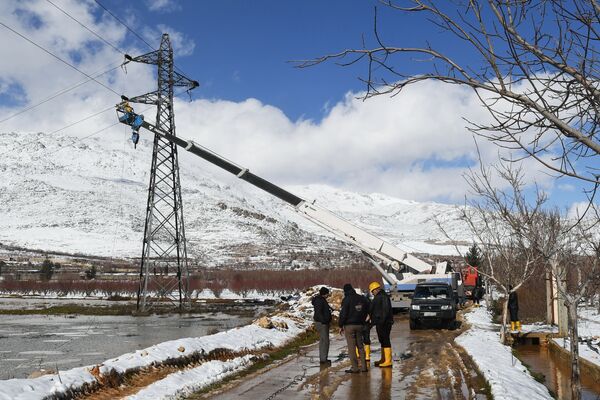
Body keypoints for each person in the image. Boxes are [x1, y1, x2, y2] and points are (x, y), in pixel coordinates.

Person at [339, 283, 369, 373]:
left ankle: (355, 368)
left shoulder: (346, 300)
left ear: (345, 291)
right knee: (360, 345)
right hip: (360, 325)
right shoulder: (361, 298)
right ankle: (364, 367)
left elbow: (343, 314)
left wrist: (340, 325)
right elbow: (366, 309)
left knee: (351, 347)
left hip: (349, 326)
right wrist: (363, 320)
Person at [369, 281, 393, 368]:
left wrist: (382, 321)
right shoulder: (379, 296)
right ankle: (383, 359)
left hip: (384, 322)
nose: (372, 293)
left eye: (372, 291)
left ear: (376, 289)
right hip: (380, 322)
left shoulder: (383, 297)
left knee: (385, 340)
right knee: (382, 340)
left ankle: (388, 361)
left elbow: (385, 310)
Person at [312, 286, 333, 365]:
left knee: (323, 341)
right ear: (324, 294)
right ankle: (324, 359)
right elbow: (318, 312)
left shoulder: (320, 300)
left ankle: (323, 358)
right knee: (325, 341)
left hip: (321, 323)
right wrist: (324, 321)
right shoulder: (319, 301)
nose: (328, 295)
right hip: (322, 323)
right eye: (327, 293)